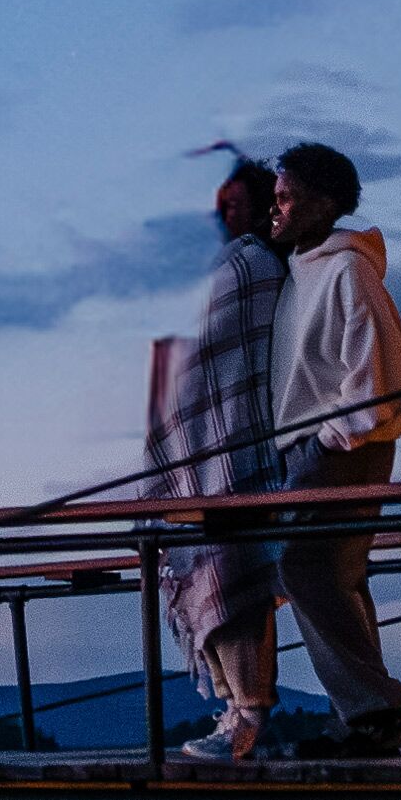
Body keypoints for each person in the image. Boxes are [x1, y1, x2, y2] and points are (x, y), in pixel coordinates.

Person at [259, 142, 401, 746]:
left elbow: (380, 372)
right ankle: (369, 717)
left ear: (324, 203)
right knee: (336, 576)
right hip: (312, 445)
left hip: (343, 445)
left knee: (301, 566)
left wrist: (335, 435)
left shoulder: (348, 268)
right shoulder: (301, 267)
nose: (275, 208)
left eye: (285, 197)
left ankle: (372, 706)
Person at [151, 154, 292, 756]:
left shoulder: (254, 267)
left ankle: (248, 715)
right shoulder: (221, 268)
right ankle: (238, 711)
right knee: (214, 567)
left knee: (234, 573)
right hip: (201, 453)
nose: (218, 214)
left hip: (233, 447)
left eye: (230, 203)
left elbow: (222, 353)